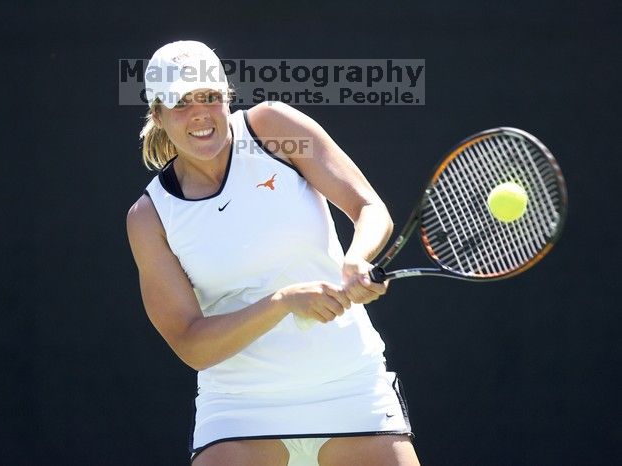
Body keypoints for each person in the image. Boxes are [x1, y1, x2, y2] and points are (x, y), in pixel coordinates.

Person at [127, 40, 420, 466]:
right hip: (238, 409)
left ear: (226, 97)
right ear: (157, 113)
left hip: (350, 387)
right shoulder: (150, 218)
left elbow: (369, 209)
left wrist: (357, 259)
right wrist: (284, 302)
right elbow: (193, 345)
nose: (200, 114)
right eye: (181, 102)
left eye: (209, 97)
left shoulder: (275, 131)